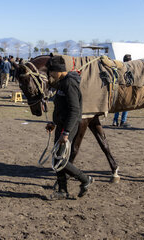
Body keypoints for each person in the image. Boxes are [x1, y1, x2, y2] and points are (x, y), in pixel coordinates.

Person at [45, 55, 94, 200]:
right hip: (61, 125)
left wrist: (66, 132)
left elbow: (74, 110)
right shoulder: (62, 83)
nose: (50, 74)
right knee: (56, 158)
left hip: (67, 127)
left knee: (60, 160)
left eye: (51, 71)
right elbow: (61, 107)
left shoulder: (69, 84)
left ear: (57, 70)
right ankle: (62, 190)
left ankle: (85, 179)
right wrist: (54, 123)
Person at [112, 54, 132, 127]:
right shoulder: (129, 68)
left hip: (118, 88)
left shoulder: (119, 66)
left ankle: (115, 120)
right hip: (125, 88)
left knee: (118, 106)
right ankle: (123, 121)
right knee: (126, 106)